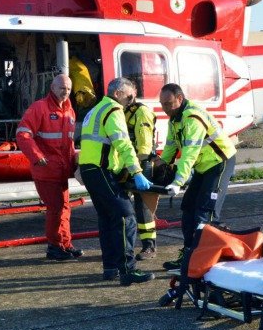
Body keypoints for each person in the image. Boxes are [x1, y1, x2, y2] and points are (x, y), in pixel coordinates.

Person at [78, 77, 155, 286]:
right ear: (118, 93)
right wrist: (137, 172)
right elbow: (123, 143)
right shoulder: (113, 110)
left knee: (107, 218)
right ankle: (127, 270)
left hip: (90, 170)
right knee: (125, 216)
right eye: (130, 96)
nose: (131, 101)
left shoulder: (95, 110)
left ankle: (110, 268)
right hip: (100, 169)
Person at [158, 83, 237, 271]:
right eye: (162, 104)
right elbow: (171, 147)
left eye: (168, 103)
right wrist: (161, 165)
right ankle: (188, 254)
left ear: (180, 98)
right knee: (188, 207)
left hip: (219, 163)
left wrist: (178, 181)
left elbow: (189, 154)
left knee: (205, 212)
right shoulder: (175, 119)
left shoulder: (192, 118)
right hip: (204, 166)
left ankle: (204, 260)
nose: (165, 108)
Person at [16, 74, 82, 261]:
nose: (66, 92)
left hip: (61, 170)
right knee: (56, 208)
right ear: (52, 88)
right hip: (46, 170)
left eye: (68, 89)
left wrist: (73, 164)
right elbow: (23, 134)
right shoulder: (39, 108)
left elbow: (67, 144)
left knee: (65, 208)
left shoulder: (69, 111)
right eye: (62, 88)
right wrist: (37, 157)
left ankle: (65, 244)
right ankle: (54, 246)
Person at [124, 100, 159, 260]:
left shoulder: (141, 112)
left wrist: (137, 168)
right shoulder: (123, 111)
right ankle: (126, 246)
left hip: (141, 162)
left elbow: (144, 145)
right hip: (127, 162)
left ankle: (149, 246)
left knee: (143, 205)